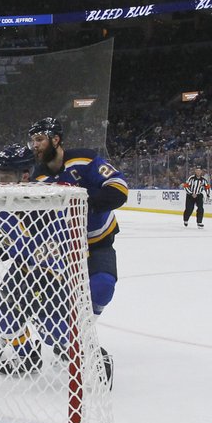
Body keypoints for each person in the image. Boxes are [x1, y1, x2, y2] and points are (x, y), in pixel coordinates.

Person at [28, 117, 123, 384]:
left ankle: (82, 332)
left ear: (56, 139)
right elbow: (37, 222)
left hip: (98, 241)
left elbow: (119, 189)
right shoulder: (39, 177)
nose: (34, 145)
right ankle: (71, 339)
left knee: (103, 286)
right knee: (52, 318)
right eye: (32, 140)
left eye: (40, 139)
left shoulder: (84, 160)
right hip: (61, 251)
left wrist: (83, 199)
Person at [0, 144, 68, 375]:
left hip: (53, 271)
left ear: (25, 176)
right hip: (23, 268)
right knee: (3, 313)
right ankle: (27, 355)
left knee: (52, 329)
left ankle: (84, 352)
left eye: (6, 176)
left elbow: (34, 241)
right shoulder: (1, 199)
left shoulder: (46, 198)